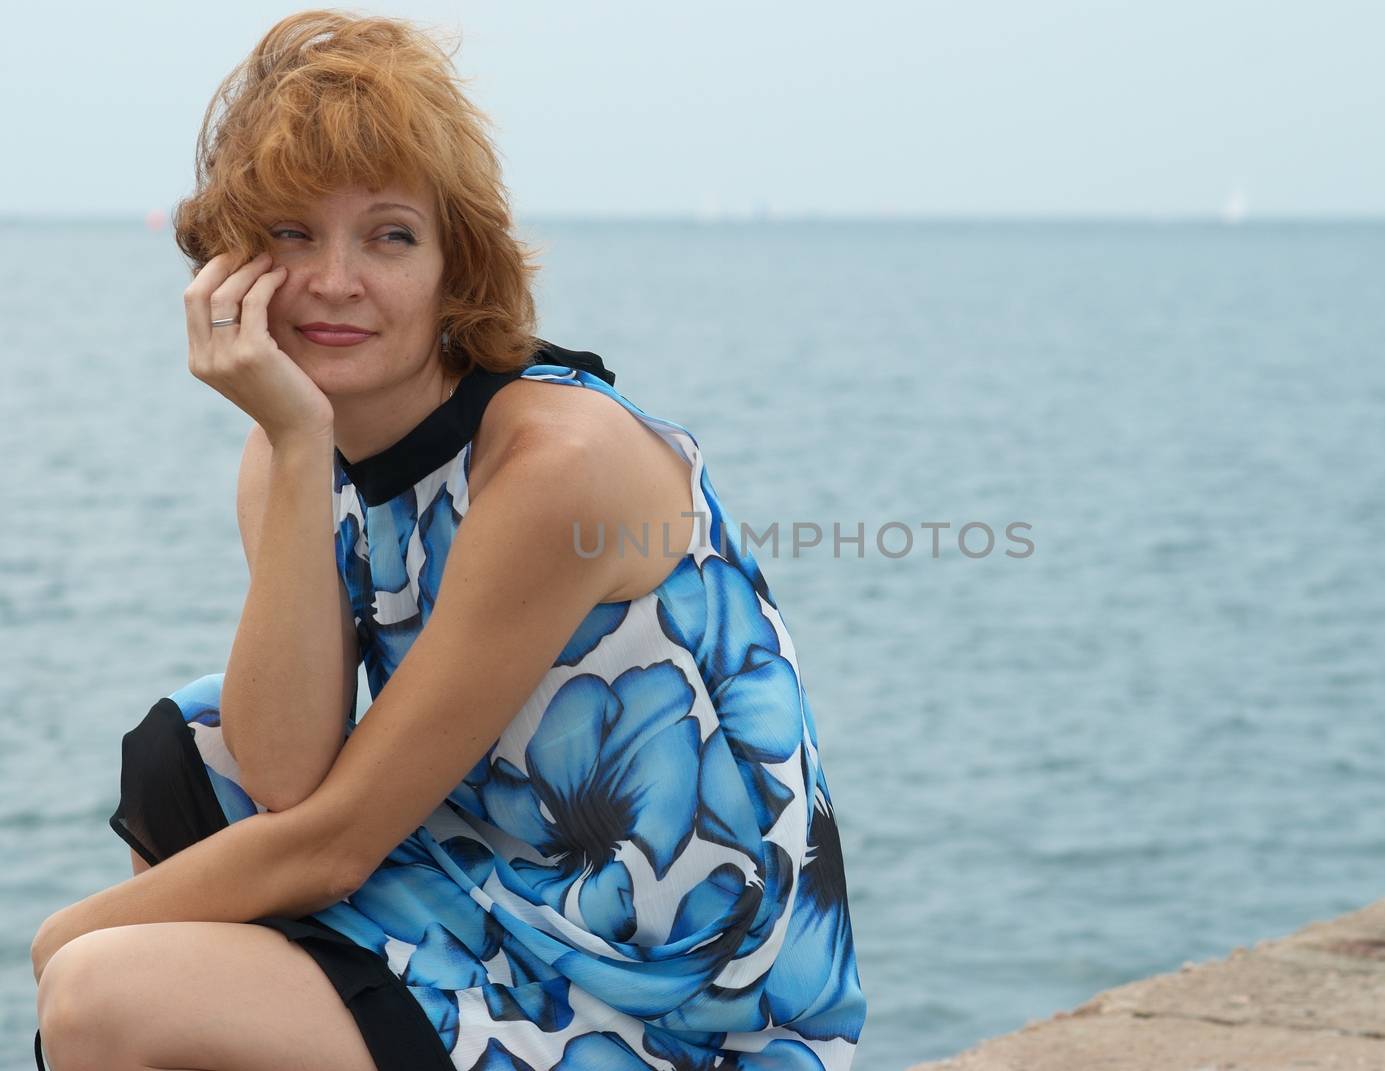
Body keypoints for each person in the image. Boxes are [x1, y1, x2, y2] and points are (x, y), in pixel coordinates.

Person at [30, 10, 865, 1071]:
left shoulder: (554, 463)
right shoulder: (296, 444)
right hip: (507, 897)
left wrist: (61, 942)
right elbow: (285, 778)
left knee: (103, 992)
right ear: (232, 264)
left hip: (679, 1009)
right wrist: (293, 443)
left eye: (389, 235)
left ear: (452, 266)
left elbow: (330, 847)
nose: (336, 280)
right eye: (292, 233)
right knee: (189, 747)